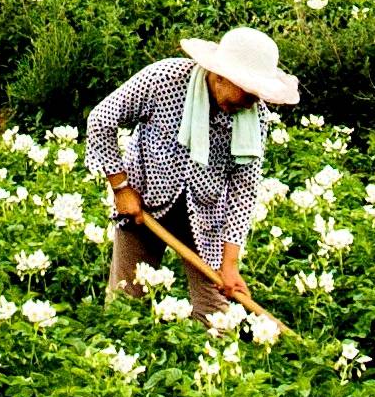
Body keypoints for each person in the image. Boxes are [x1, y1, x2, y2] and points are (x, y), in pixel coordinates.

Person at [88, 24, 300, 317]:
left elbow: (244, 189)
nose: (254, 101)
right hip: (144, 202)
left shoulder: (254, 114)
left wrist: (230, 264)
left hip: (205, 212)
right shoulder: (164, 80)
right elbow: (101, 120)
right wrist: (122, 189)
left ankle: (218, 359)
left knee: (215, 316)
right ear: (222, 75)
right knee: (125, 303)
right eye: (250, 92)